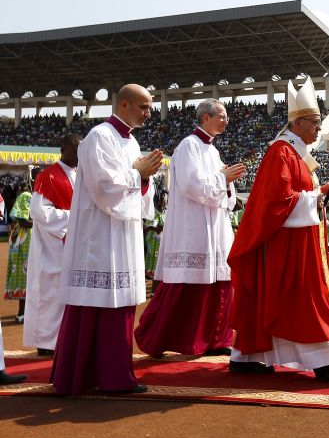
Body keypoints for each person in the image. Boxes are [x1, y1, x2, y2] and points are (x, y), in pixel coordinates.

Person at [228, 77, 329, 384]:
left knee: (294, 300)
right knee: (306, 301)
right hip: (288, 246)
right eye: (315, 123)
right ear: (299, 123)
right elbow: (278, 200)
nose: (318, 128)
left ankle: (248, 357)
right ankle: (324, 362)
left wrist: (321, 191)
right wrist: (314, 198)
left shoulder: (296, 153)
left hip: (297, 240)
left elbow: (296, 195)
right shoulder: (282, 152)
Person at [51, 84, 163, 395]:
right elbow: (104, 187)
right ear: (124, 104)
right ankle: (96, 376)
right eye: (143, 106)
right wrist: (136, 173)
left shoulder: (130, 141)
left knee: (119, 303)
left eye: (150, 107)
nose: (148, 113)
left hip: (122, 233)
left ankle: (114, 373)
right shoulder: (100, 136)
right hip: (98, 236)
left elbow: (136, 188)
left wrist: (144, 177)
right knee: (97, 303)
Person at [135, 99, 243, 359]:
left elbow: (223, 195)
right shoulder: (187, 147)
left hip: (215, 229)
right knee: (187, 288)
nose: (226, 121)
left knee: (219, 285)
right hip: (193, 229)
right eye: (222, 116)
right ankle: (156, 338)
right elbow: (192, 186)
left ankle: (216, 339)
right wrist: (223, 179)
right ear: (206, 118)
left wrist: (226, 183)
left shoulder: (213, 151)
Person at [23, 133, 80, 357]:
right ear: (62, 150)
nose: (77, 155)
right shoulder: (48, 176)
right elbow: (38, 212)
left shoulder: (80, 175)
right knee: (49, 293)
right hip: (51, 246)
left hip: (73, 244)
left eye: (80, 151)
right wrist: (73, 217)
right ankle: (46, 342)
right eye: (74, 150)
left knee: (68, 294)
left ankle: (64, 340)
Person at [4, 175, 34, 322]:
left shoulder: (27, 196)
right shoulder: (27, 196)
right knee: (26, 276)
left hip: (23, 240)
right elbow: (23, 221)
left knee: (27, 276)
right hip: (24, 242)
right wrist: (42, 223)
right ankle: (22, 313)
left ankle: (24, 313)